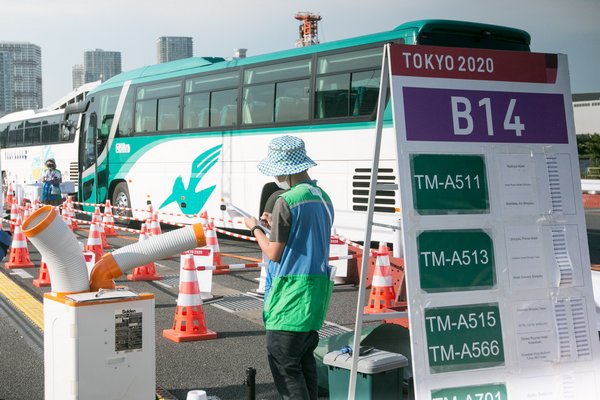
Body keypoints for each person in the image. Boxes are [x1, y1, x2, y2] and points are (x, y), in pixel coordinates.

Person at [244, 135, 334, 400]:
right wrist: (274, 224)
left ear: (283, 168)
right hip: (315, 294)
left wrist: (255, 228)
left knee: (284, 365)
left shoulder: (287, 200)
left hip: (291, 296)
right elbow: (304, 233)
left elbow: (273, 252)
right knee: (305, 364)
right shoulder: (322, 197)